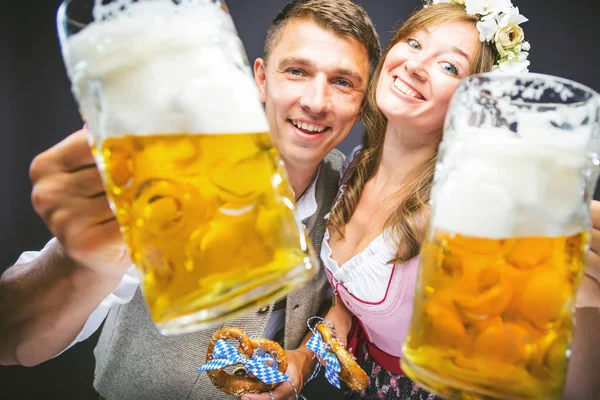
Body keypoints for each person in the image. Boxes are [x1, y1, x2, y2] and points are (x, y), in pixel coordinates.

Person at [0, 1, 381, 399]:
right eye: (297, 71)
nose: (317, 102)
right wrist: (77, 261)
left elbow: (346, 305)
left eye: (343, 82)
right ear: (261, 79)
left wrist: (302, 361)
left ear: (361, 104)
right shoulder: (175, 169)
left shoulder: (351, 186)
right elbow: (11, 338)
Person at [313, 1, 599, 399]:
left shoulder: (466, 217)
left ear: (475, 103)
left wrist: (584, 305)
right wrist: (340, 315)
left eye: (449, 66)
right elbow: (357, 280)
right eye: (413, 43)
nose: (414, 65)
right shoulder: (358, 165)